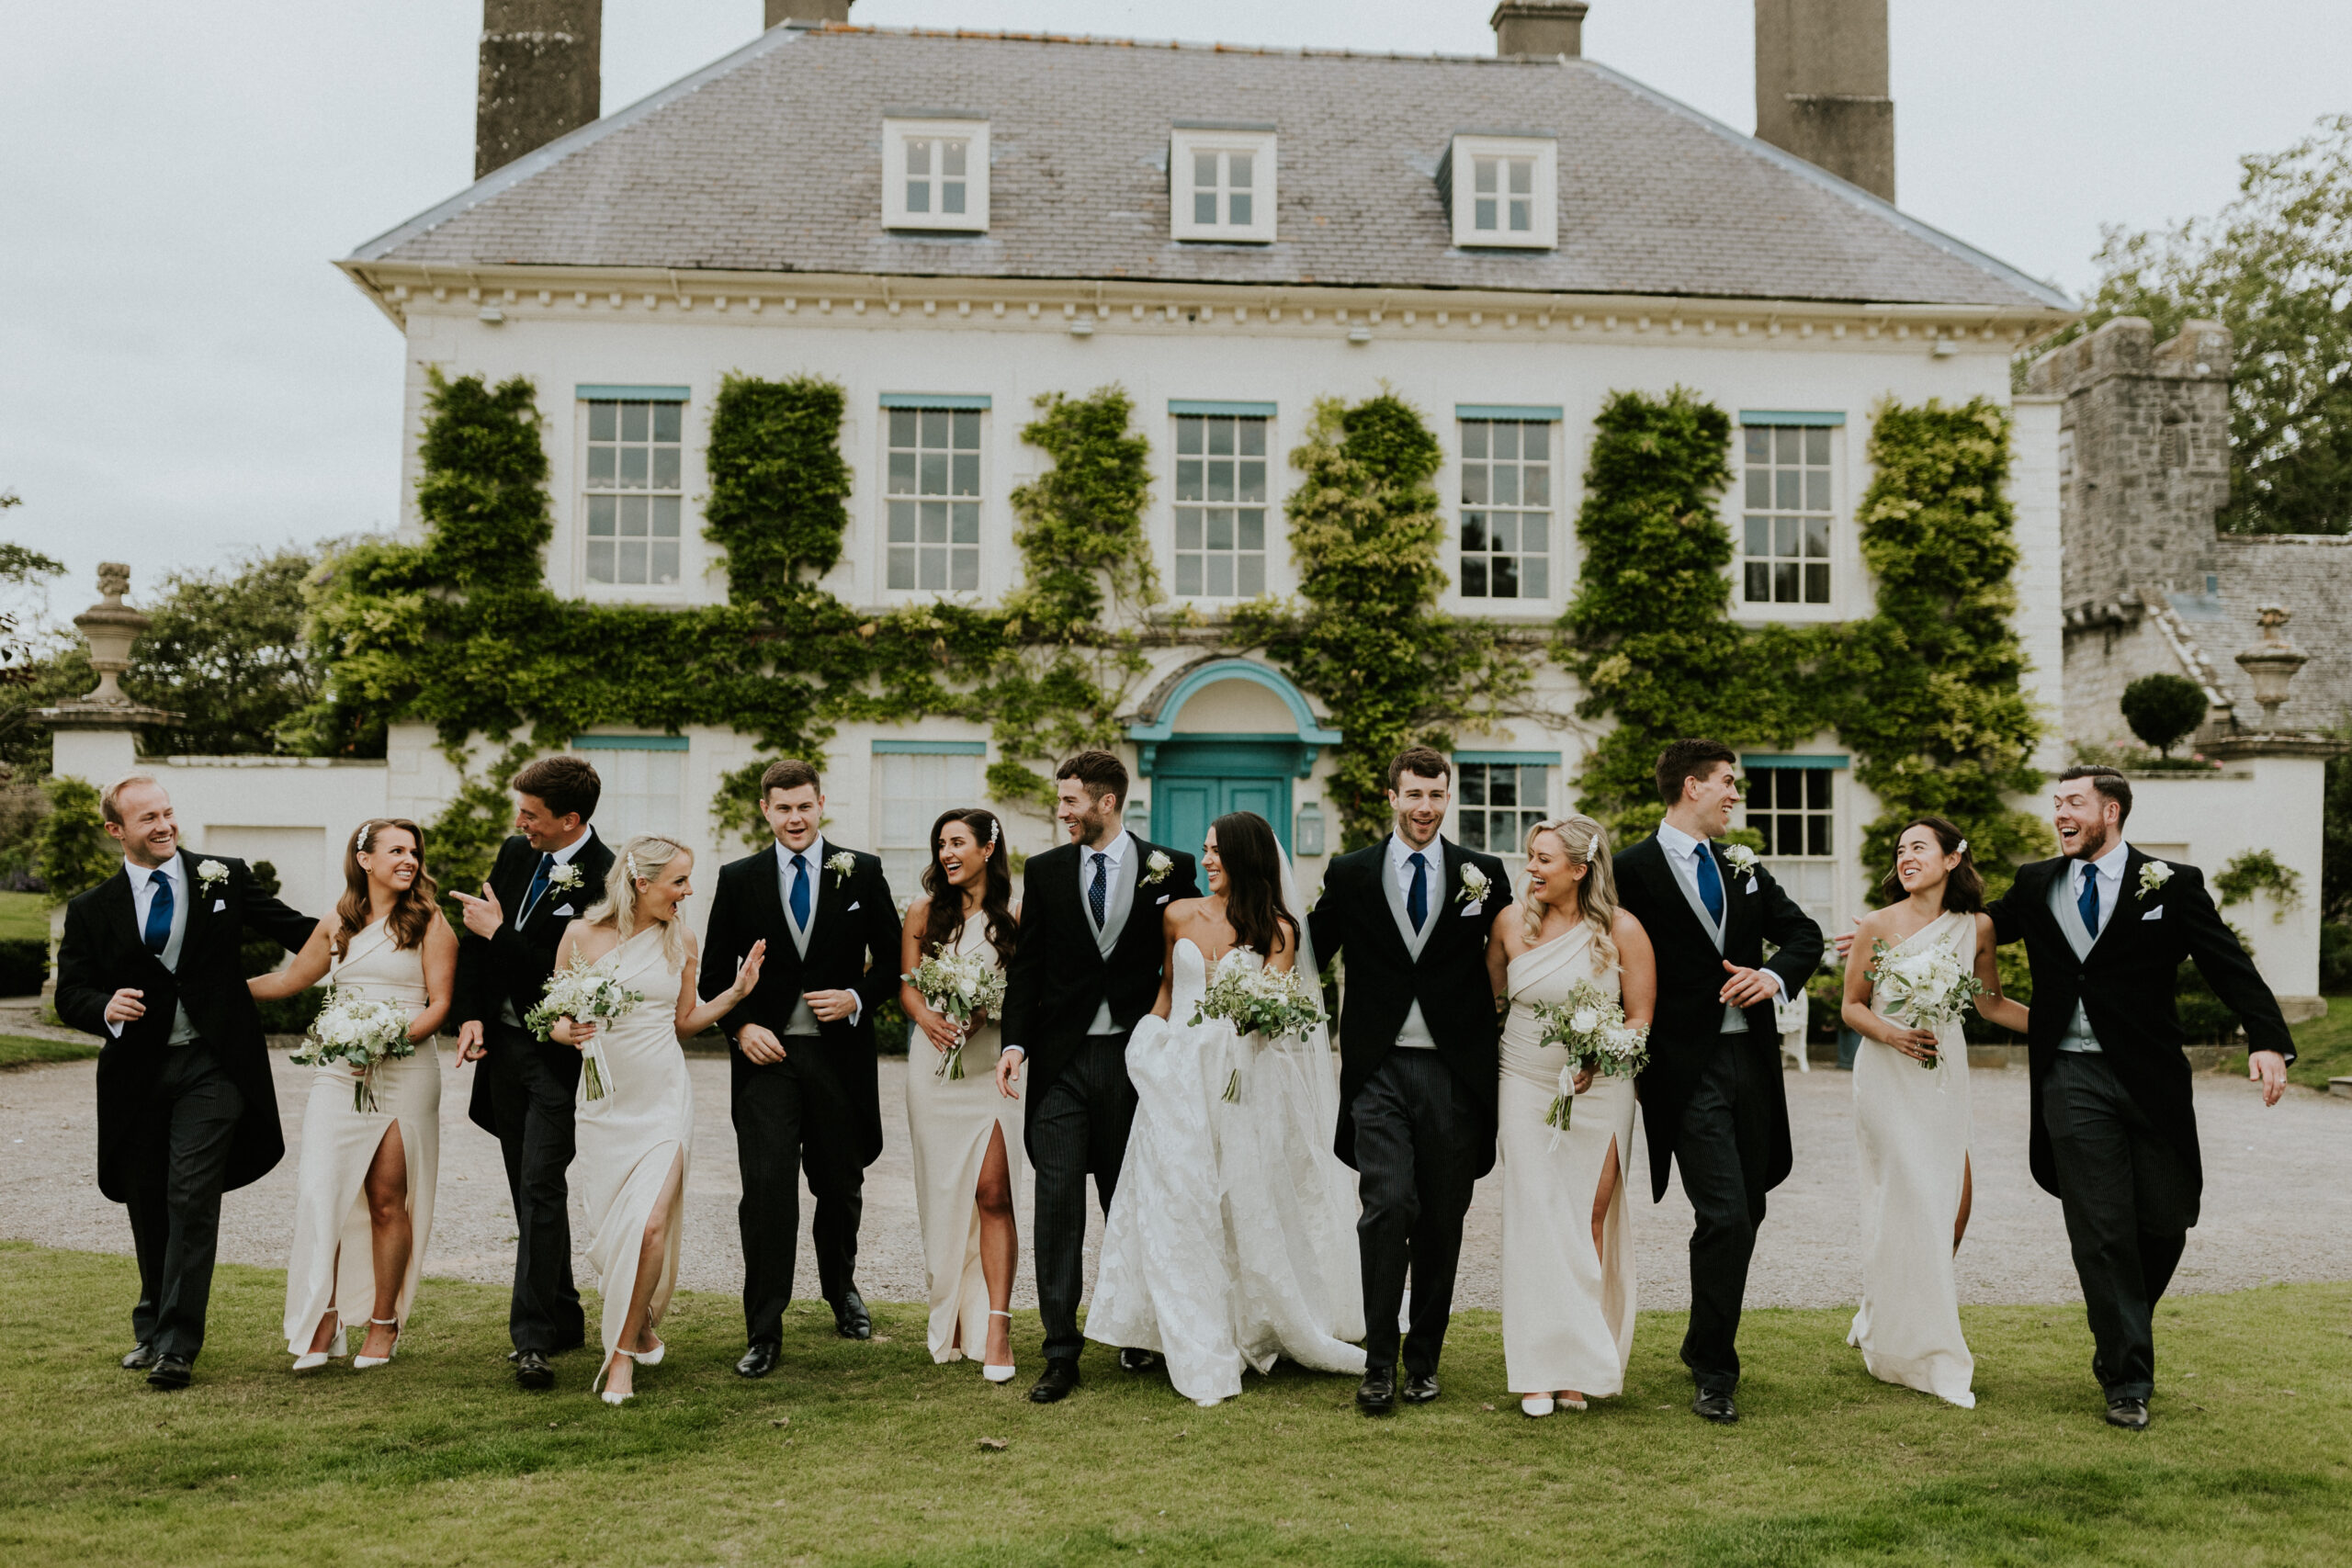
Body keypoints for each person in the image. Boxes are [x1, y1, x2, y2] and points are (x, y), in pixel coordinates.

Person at [1985, 766, 2292, 1429]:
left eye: (2074, 802)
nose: (2059, 813)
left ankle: (2121, 1321)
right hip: (2070, 1076)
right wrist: (1897, 926)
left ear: (2112, 811)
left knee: (2166, 1218)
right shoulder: (2036, 882)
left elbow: (2226, 962)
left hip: (2149, 1077)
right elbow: (1978, 925)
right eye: (2056, 803)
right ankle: (2127, 1376)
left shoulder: (2172, 885)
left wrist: (2266, 1038)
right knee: (2100, 1229)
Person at [1087, 811, 1367, 1406]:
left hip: (1246, 1081)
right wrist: (1150, 1045)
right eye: (1205, 849)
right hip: (1178, 1078)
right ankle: (1161, 1325)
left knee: (1244, 1199)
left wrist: (1244, 1024)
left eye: (1217, 851)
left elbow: (1272, 1010)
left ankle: (1246, 1320)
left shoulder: (1280, 929)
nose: (1206, 859)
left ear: (1244, 857)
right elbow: (1167, 990)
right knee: (1173, 1198)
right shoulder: (1178, 914)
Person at [53, 774, 315, 1389]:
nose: (165, 824)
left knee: (191, 1194)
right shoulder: (92, 908)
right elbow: (71, 992)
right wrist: (103, 1006)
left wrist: (379, 925)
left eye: (168, 812)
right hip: (135, 1075)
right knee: (146, 1198)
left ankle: (176, 1343)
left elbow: (298, 929)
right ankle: (151, 1325)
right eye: (148, 818)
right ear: (117, 829)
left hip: (214, 1063)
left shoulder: (222, 875)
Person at [1611, 739, 1824, 1425]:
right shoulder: (1630, 870)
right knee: (1726, 1213)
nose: (1737, 794)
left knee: (1748, 1210)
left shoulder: (1744, 864)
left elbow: (1805, 934)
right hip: (1684, 1071)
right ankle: (1715, 1370)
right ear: (1693, 786)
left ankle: (1701, 1342)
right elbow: (1600, 955)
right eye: (1729, 782)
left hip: (1751, 1068)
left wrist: (1774, 974)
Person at [1306, 747, 1508, 1416]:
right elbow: (1307, 946)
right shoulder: (1352, 872)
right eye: (1415, 793)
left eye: (1437, 794)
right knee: (1386, 1208)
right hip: (1379, 1069)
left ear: (1447, 798)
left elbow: (1518, 946)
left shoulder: (1484, 873)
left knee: (1443, 1221)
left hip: (1456, 1072)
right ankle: (1379, 1362)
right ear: (1391, 796)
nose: (1426, 806)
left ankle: (1424, 1360)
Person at [997, 750, 1201, 1404]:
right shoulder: (1049, 871)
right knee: (1057, 1204)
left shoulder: (1174, 868)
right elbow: (1028, 968)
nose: (1061, 813)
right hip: (1061, 1063)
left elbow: (1187, 962)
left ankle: (1139, 1327)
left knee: (1132, 1201)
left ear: (1106, 801)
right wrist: (1016, 1043)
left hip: (1136, 1064)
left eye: (1070, 802)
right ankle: (1060, 1351)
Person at [544, 835, 766, 1404]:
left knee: (649, 1227)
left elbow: (685, 1021)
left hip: (664, 1099)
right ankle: (638, 1321)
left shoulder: (681, 939)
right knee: (613, 1230)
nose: (688, 893)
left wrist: (737, 993)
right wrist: (571, 1033)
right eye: (679, 882)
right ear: (641, 884)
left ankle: (620, 1358)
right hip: (604, 1104)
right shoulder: (579, 936)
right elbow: (555, 1020)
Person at [700, 759, 901, 1377]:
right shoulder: (738, 879)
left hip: (839, 1060)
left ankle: (841, 1289)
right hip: (767, 1062)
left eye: (804, 806)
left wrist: (858, 997)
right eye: (782, 807)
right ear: (765, 809)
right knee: (766, 1191)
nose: (794, 817)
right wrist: (740, 1026)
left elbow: (894, 961)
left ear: (821, 804)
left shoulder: (861, 871)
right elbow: (712, 976)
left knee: (840, 1186)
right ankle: (763, 1328)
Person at [251, 818, 458, 1373]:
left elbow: (440, 1005)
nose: (409, 859)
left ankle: (384, 1322)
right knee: (325, 1193)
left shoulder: (429, 922)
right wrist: (215, 988)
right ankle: (326, 1318)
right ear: (364, 859)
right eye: (395, 850)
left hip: (406, 1069)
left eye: (413, 851)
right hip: (340, 1071)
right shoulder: (337, 924)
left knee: (388, 1199)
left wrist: (393, 1040)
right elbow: (290, 981)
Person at [1838, 818, 2027, 1409]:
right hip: (1889, 1072)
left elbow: (1990, 1003)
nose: (1906, 857)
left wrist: (2072, 1028)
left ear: (1951, 859)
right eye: (1900, 850)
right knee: (1910, 1194)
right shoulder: (1877, 924)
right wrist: (1892, 1036)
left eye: (1919, 847)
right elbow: (1851, 1006)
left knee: (1952, 1202)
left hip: (1944, 1073)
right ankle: (1927, 1349)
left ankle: (1891, 1308)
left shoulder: (1978, 927)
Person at [448, 754, 616, 1391]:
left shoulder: (606, 877)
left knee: (542, 1184)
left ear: (570, 818)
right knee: (528, 1190)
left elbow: (569, 973)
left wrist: (499, 934)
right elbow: (477, 943)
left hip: (561, 1056)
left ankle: (532, 1338)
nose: (521, 822)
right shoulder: (516, 855)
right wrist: (471, 1015)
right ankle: (565, 1312)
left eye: (532, 814)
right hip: (507, 1052)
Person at [1487, 816, 1656, 1417]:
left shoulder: (1623, 930)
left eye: (1545, 860)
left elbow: (1639, 1018)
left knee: (1587, 1217)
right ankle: (1536, 1368)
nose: (1531, 867)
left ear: (1581, 870)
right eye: (1530, 856)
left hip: (1601, 1094)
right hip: (1525, 1086)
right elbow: (1493, 1004)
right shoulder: (1509, 923)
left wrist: (1597, 1053)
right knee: (1535, 1220)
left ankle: (1578, 1364)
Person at [898, 807, 1023, 1381]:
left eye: (957, 843)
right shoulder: (924, 911)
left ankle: (996, 1327)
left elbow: (1025, 991)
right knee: (944, 1195)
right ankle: (946, 1312)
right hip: (934, 1068)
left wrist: (985, 1012)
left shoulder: (1016, 915)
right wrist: (928, 1017)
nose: (947, 853)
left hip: (990, 1067)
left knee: (994, 1192)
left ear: (987, 848)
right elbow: (906, 988)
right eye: (941, 844)